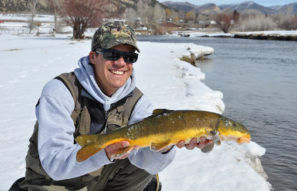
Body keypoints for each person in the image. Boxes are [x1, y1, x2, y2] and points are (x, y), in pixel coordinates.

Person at [11, 21, 214, 191]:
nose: (121, 63)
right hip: (50, 182)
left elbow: (148, 165)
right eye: (112, 54)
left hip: (99, 179)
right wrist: (104, 152)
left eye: (129, 57)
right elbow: (54, 164)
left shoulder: (138, 102)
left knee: (146, 166)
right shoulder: (61, 91)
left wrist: (165, 146)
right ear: (93, 56)